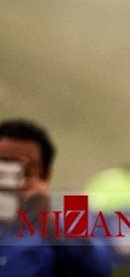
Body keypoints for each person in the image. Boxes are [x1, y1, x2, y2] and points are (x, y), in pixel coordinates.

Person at [0, 118, 115, 276]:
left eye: (24, 170)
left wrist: (51, 225)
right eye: (4, 167)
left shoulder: (72, 211)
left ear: (46, 175)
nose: (13, 180)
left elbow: (99, 267)